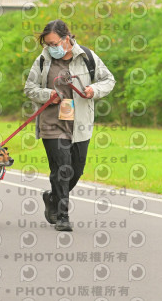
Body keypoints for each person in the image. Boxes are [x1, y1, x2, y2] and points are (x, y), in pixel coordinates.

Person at [24, 20, 116, 231]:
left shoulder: (87, 57)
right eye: (47, 44)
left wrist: (94, 90)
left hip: (80, 123)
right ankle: (62, 216)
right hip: (52, 122)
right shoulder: (43, 60)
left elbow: (109, 80)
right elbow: (30, 88)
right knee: (62, 168)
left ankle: (52, 197)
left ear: (66, 38)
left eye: (54, 43)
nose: (51, 48)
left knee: (76, 169)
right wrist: (48, 94)